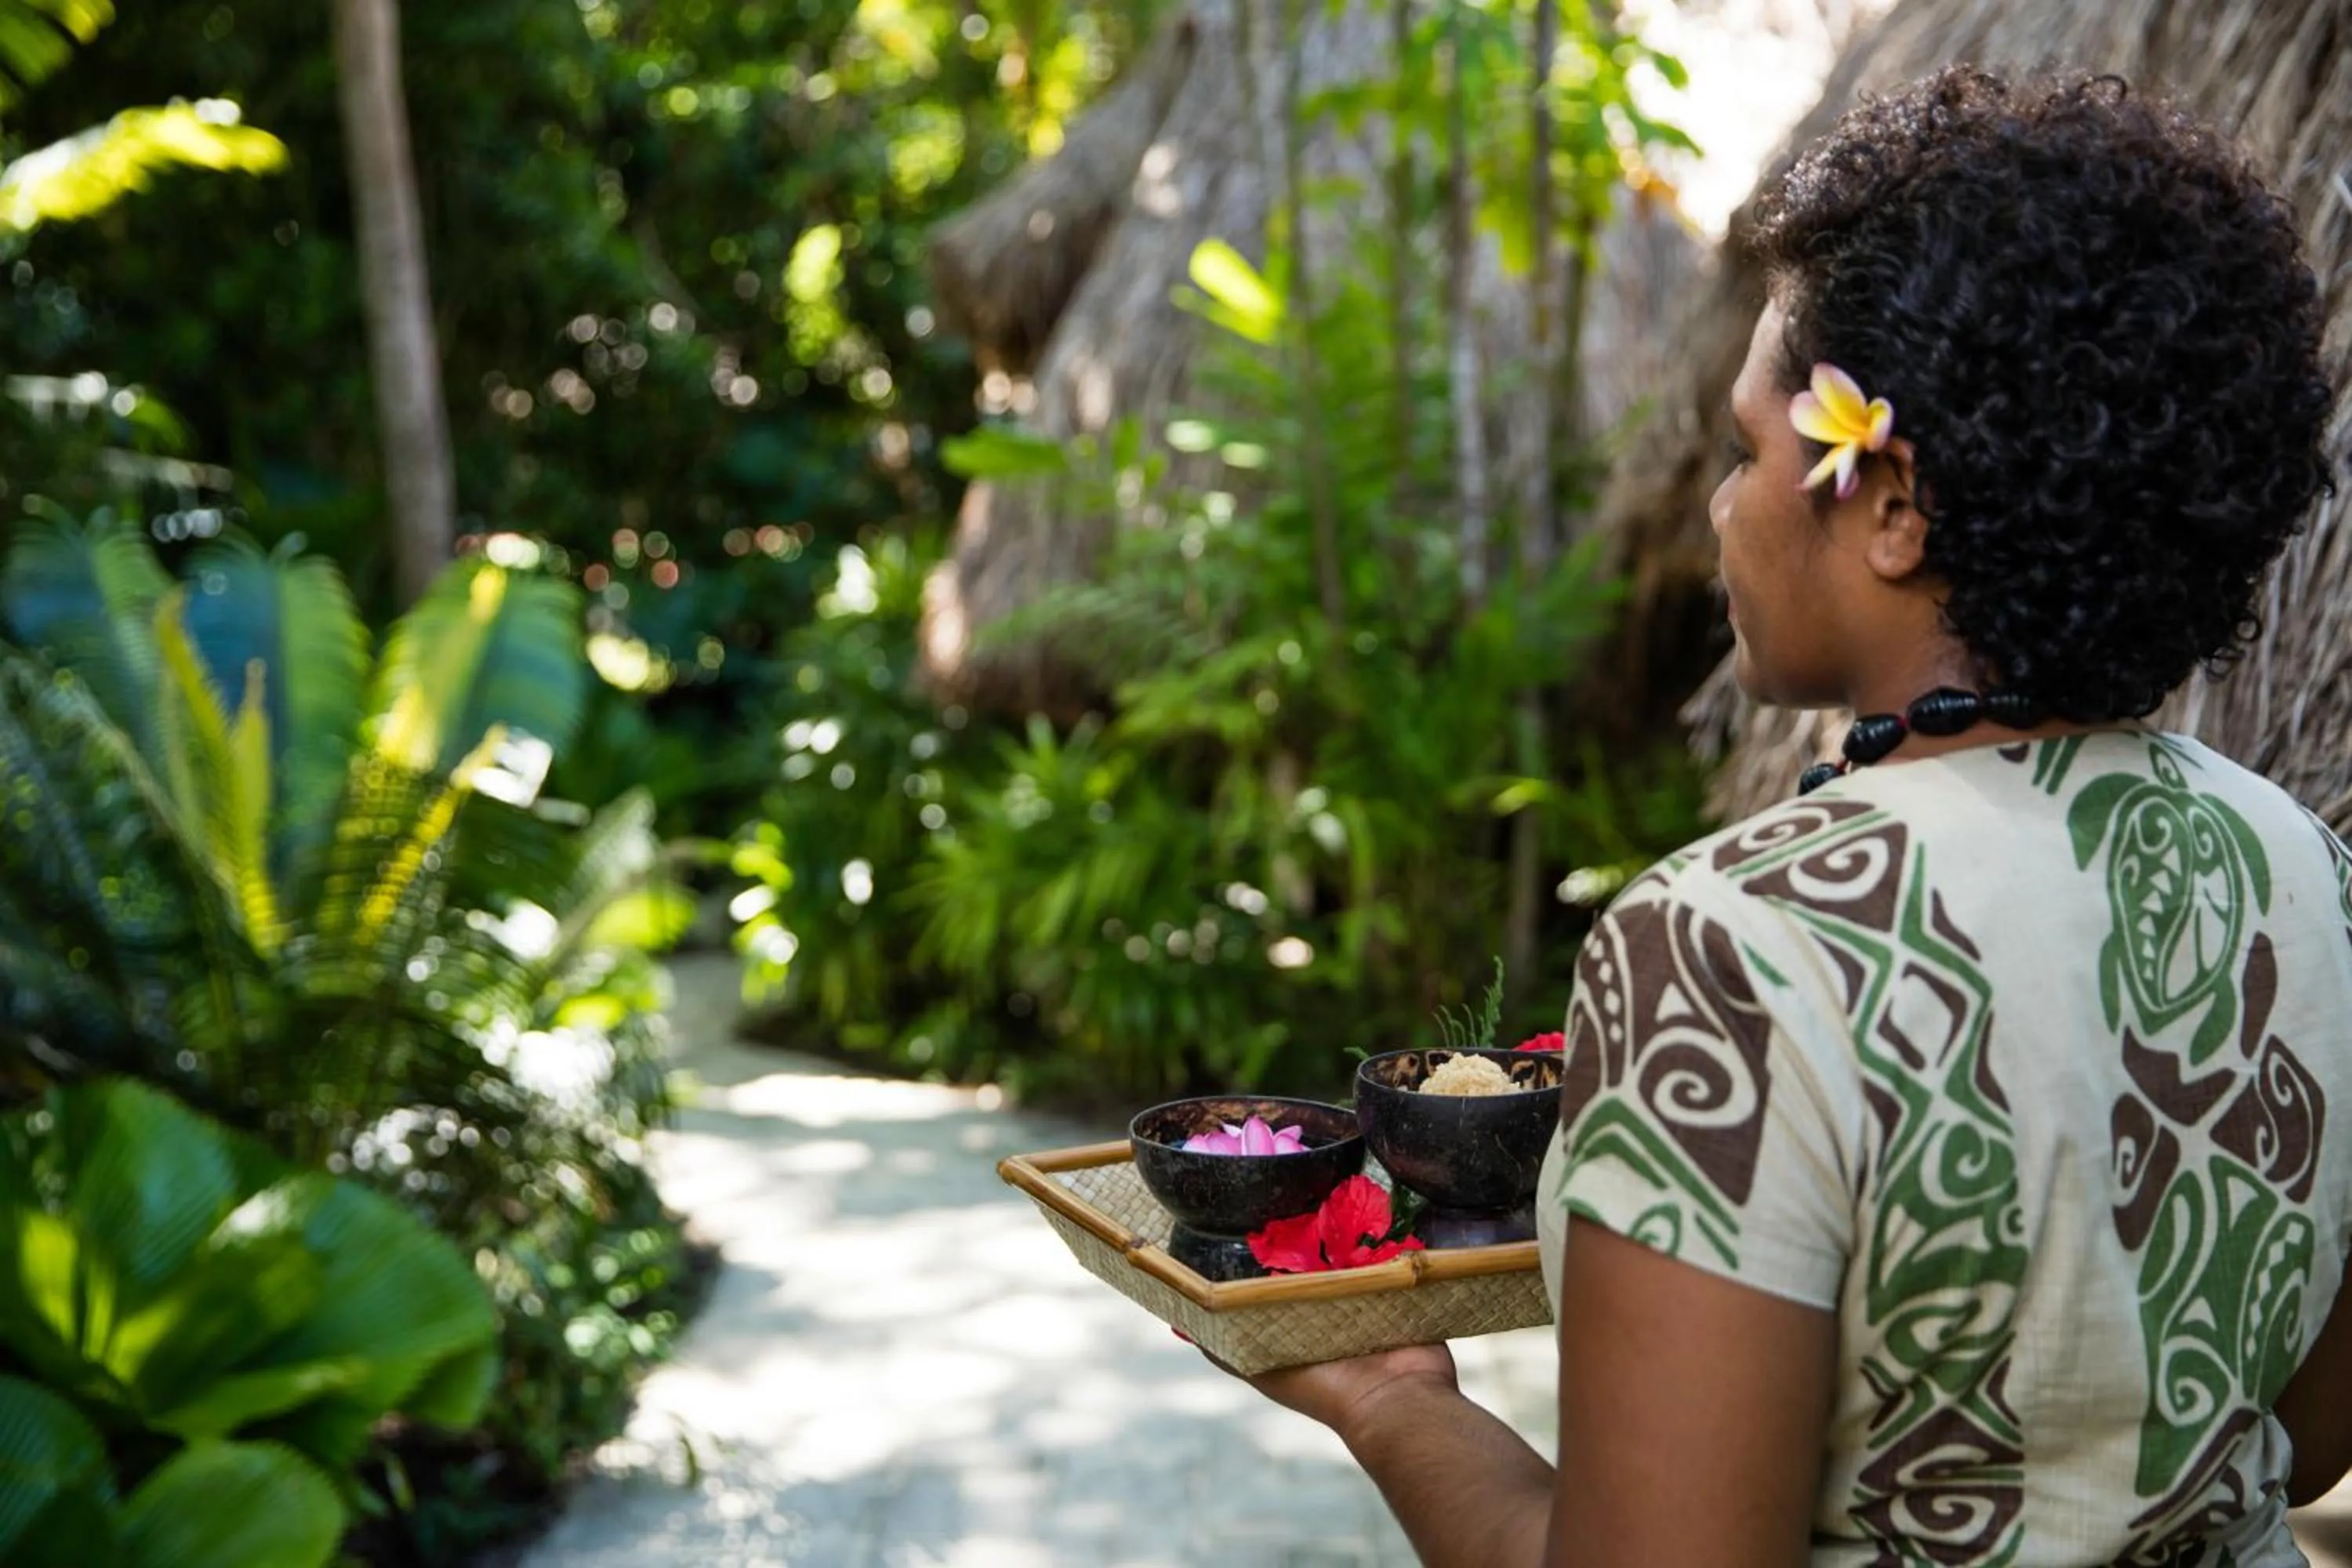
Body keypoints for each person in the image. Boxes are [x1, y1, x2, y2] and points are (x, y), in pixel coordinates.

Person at [1236, 66, 2352, 1565]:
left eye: (1751, 451)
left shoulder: (1730, 949)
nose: (1721, 505)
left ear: (1890, 500)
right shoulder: (2309, 874)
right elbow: (2298, 1436)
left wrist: (1392, 1407)